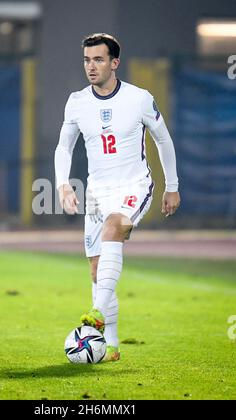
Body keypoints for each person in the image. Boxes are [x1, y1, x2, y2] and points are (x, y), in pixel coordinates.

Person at [54, 33, 180, 362]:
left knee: (114, 227)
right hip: (97, 192)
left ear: (114, 63)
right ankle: (110, 345)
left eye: (98, 59)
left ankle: (96, 314)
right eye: (86, 60)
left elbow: (163, 141)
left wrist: (172, 185)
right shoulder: (77, 102)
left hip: (134, 186)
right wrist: (62, 184)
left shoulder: (139, 99)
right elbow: (64, 146)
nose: (91, 66)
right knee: (98, 272)